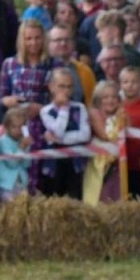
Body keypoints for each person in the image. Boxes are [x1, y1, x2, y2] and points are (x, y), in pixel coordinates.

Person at [40, 69, 91, 199]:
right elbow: (58, 130)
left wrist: (60, 140)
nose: (66, 91)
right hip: (54, 162)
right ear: (51, 87)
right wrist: (63, 108)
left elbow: (85, 135)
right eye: (61, 86)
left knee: (75, 196)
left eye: (69, 87)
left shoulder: (80, 107)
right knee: (55, 196)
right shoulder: (46, 111)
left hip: (75, 161)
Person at [84, 80, 128, 203]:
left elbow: (128, 132)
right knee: (97, 197)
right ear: (98, 99)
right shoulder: (94, 113)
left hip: (117, 164)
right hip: (99, 162)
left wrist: (123, 117)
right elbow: (105, 135)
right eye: (106, 97)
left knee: (115, 197)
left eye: (114, 97)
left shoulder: (121, 114)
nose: (110, 100)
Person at [0, 104, 33, 205]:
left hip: (20, 182)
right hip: (5, 184)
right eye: (14, 127)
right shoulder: (3, 141)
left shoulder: (22, 141)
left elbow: (27, 164)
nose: (18, 130)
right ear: (6, 127)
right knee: (9, 207)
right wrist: (22, 148)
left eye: (21, 127)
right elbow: (12, 163)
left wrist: (26, 147)